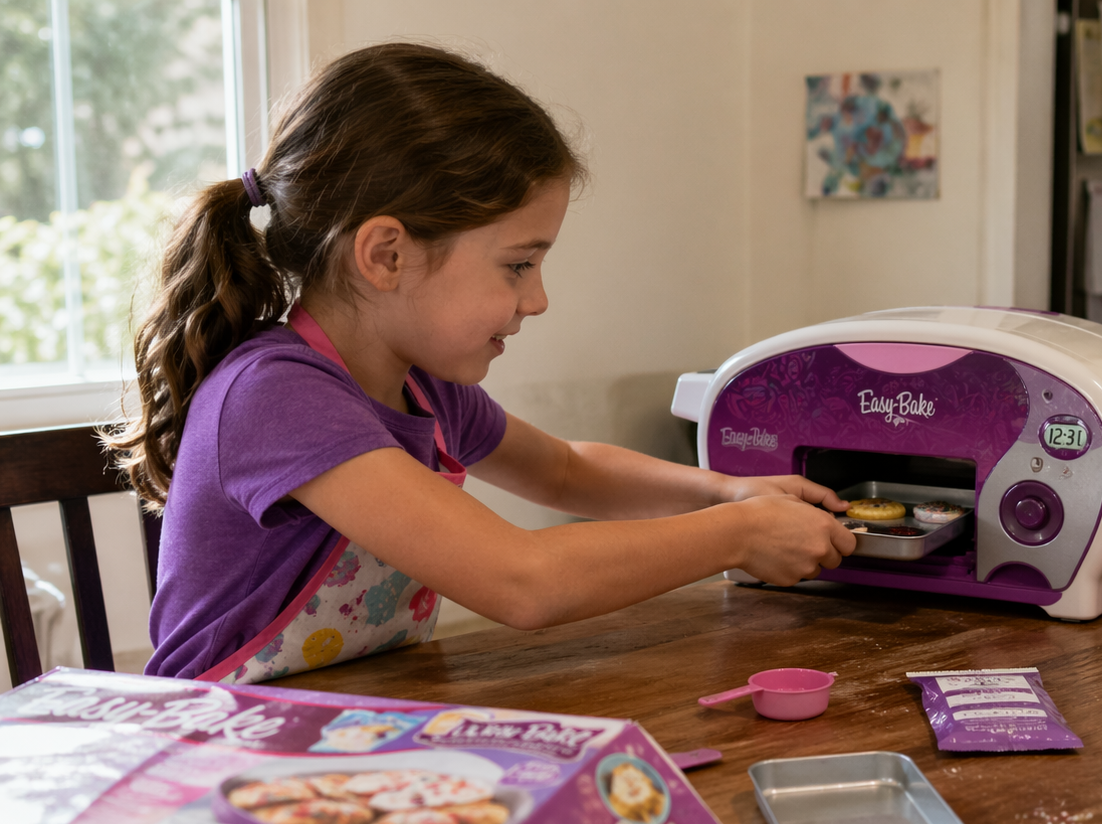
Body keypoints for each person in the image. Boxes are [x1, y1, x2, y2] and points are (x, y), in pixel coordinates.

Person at [111, 43, 855, 683]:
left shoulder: (422, 387)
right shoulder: (274, 396)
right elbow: (522, 582)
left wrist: (725, 492)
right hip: (213, 747)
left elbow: (565, 471)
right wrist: (737, 534)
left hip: (348, 726)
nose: (538, 300)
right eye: (518, 265)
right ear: (386, 255)